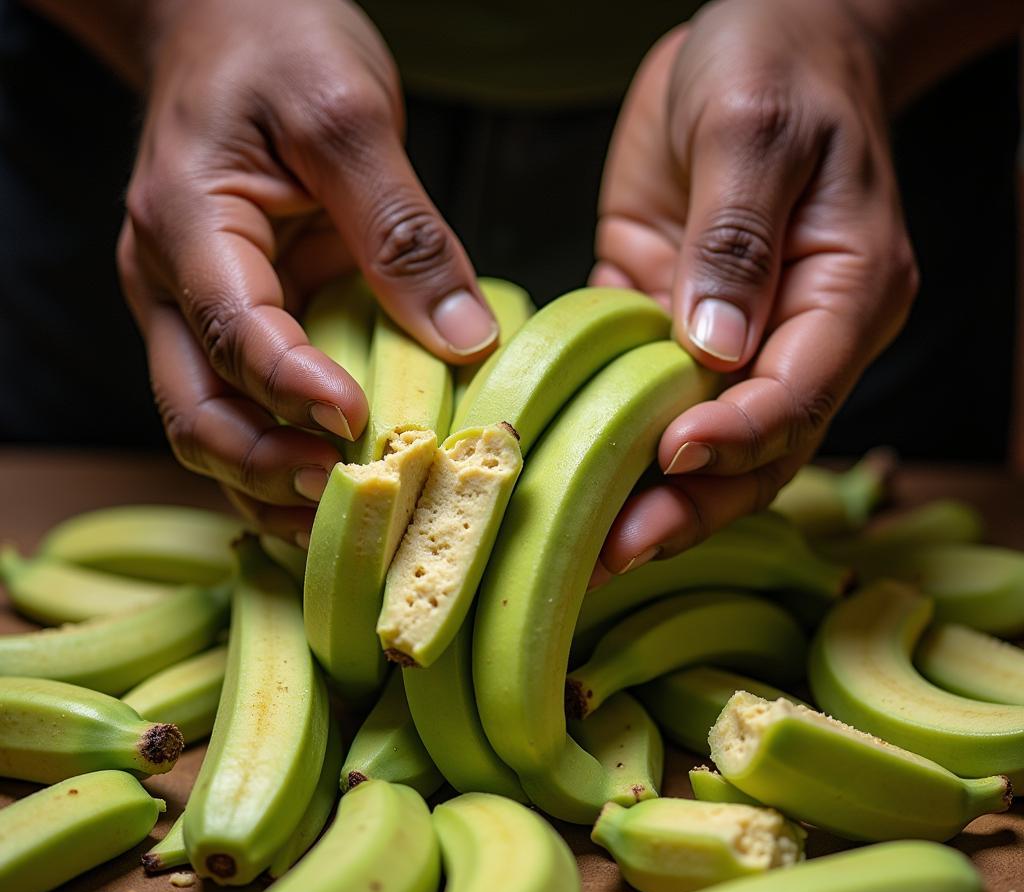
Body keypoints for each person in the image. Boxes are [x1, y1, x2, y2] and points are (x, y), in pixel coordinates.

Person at [4, 0, 1022, 575]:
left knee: (782, 455)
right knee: (230, 431)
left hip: (807, 119)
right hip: (195, 109)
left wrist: (851, 25)